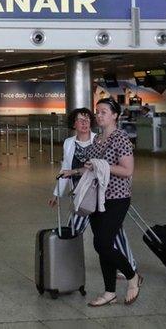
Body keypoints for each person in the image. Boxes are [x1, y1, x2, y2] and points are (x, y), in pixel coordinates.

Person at [61, 98, 141, 306]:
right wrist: (74, 171)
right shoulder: (96, 141)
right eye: (98, 112)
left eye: (104, 112)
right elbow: (90, 166)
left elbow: (127, 170)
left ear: (115, 115)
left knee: (102, 243)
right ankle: (109, 292)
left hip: (117, 198)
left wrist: (103, 165)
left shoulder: (121, 138)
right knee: (103, 245)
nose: (99, 115)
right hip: (97, 198)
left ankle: (132, 277)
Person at [49, 108, 136, 278]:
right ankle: (66, 267)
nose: (84, 123)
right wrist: (57, 193)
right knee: (74, 228)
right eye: (80, 120)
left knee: (115, 233)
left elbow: (120, 168)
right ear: (73, 124)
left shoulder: (99, 140)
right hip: (82, 195)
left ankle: (129, 265)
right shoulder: (69, 143)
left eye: (87, 119)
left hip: (104, 195)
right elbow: (66, 168)